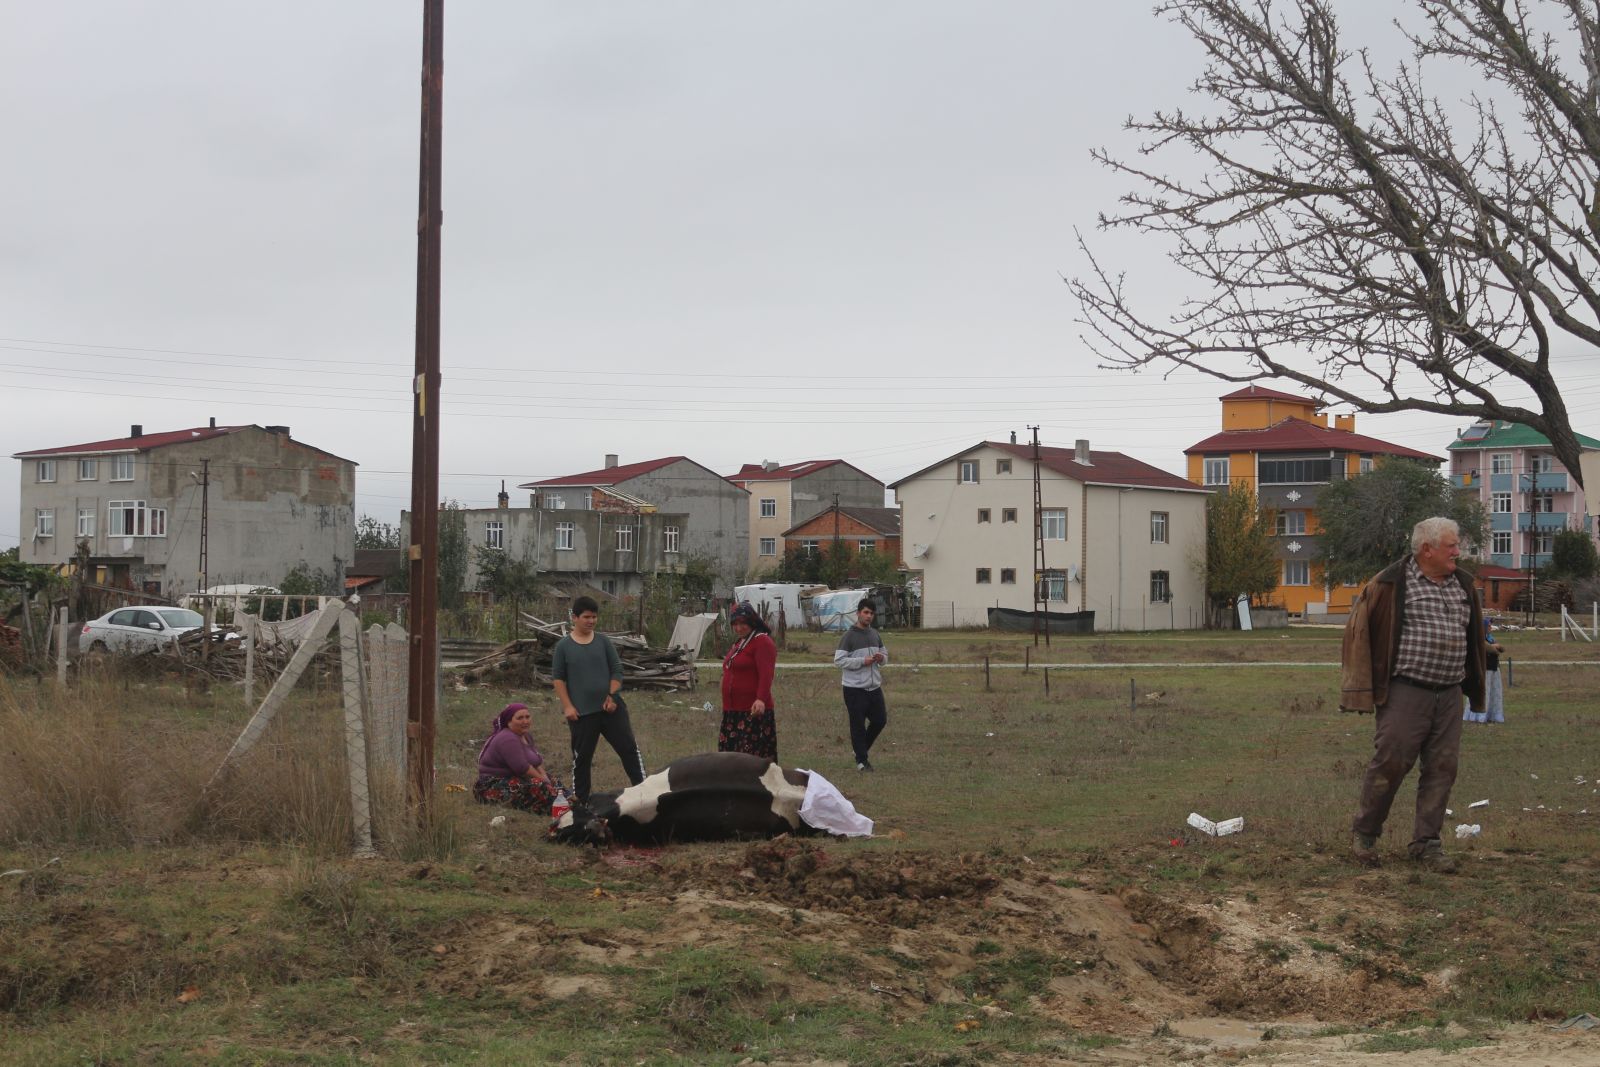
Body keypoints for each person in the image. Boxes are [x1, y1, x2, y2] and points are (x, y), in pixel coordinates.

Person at [1341, 517, 1486, 873]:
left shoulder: (1464, 585)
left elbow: (1471, 637)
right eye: (1451, 545)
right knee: (1390, 764)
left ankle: (1427, 845)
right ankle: (1365, 835)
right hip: (1406, 691)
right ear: (1427, 549)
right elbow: (1358, 634)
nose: (1457, 551)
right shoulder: (1390, 584)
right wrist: (1359, 687)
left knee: (1442, 769)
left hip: (1450, 693)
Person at [552, 595, 647, 802]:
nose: (591, 621)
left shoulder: (603, 641)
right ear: (574, 618)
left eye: (594, 617)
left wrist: (612, 696)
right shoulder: (563, 647)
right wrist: (568, 706)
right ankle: (581, 803)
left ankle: (644, 793)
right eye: (586, 617)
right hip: (582, 714)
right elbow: (558, 679)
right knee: (582, 759)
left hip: (611, 709)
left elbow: (617, 671)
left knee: (629, 750)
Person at [474, 702, 564, 814]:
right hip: (492, 785)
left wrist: (546, 778)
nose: (525, 721)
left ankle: (572, 802)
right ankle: (559, 809)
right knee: (539, 786)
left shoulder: (526, 736)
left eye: (527, 717)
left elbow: (536, 761)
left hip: (514, 778)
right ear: (509, 721)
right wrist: (544, 782)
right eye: (520, 718)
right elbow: (522, 767)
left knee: (554, 780)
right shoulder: (507, 739)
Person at [718, 602, 779, 761]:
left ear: (751, 622)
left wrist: (760, 699)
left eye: (742, 623)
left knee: (750, 760)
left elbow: (766, 674)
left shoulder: (762, 642)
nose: (738, 628)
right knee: (731, 760)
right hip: (733, 712)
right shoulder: (740, 643)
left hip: (752, 711)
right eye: (735, 624)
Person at [834, 598, 889, 771]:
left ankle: (860, 749)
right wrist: (861, 661)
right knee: (857, 725)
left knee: (880, 720)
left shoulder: (874, 634)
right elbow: (839, 660)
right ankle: (862, 762)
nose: (869, 616)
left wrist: (881, 658)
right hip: (854, 689)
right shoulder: (848, 636)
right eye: (866, 612)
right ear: (858, 613)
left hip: (874, 687)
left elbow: (885, 655)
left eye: (871, 613)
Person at [1463, 618, 1505, 724]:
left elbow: (1501, 649)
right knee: (1483, 693)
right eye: (1488, 626)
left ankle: (1493, 715)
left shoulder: (1490, 638)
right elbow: (1490, 649)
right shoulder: (1478, 639)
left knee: (1494, 693)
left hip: (1493, 669)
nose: (1490, 627)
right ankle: (1478, 716)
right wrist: (1495, 647)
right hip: (1483, 670)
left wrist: (1496, 646)